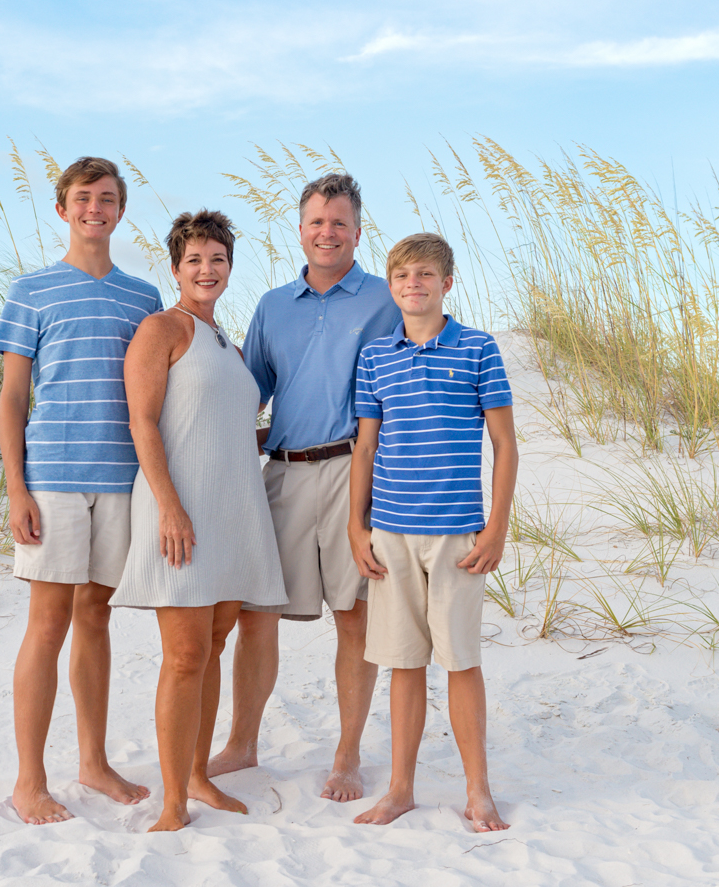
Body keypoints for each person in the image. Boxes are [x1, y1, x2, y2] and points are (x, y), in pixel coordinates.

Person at [208, 173, 401, 802]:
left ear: (358, 230)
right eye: (316, 221)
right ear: (300, 230)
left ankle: (347, 755)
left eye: (339, 221)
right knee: (256, 613)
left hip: (356, 473)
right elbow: (248, 394)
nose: (328, 232)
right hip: (285, 473)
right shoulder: (270, 306)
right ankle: (242, 743)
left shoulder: (385, 298)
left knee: (353, 616)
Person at [0, 156, 161, 825]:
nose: (96, 208)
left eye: (108, 198)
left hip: (120, 482)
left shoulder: (143, 297)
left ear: (121, 210)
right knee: (48, 623)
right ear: (62, 208)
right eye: (84, 197)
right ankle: (29, 779)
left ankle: (93, 760)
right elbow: (11, 398)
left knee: (97, 616)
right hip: (53, 480)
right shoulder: (31, 291)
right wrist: (16, 488)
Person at [111, 209, 287, 831]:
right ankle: (172, 802)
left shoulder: (228, 344)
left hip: (233, 510)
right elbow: (143, 421)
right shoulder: (163, 328)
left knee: (212, 648)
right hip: (179, 512)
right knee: (184, 655)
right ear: (176, 268)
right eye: (194, 260)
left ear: (230, 267)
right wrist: (169, 507)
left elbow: (225, 423)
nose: (206, 269)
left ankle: (197, 775)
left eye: (217, 260)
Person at [348, 232, 518, 834]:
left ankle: (478, 790)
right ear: (389, 285)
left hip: (456, 535)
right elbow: (366, 445)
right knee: (402, 663)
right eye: (401, 276)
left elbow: (503, 443)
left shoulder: (477, 349)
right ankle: (400, 789)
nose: (412, 286)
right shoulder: (375, 357)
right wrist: (356, 524)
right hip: (391, 531)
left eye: (424, 275)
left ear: (448, 283)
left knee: (461, 660)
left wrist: (495, 527)